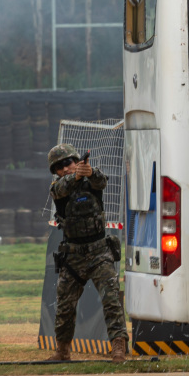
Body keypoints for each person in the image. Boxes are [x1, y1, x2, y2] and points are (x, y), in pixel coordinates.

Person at [45, 144, 127, 364]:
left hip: (99, 251)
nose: (66, 168)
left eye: (69, 162)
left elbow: (102, 181)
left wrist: (90, 173)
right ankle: (62, 351)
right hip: (72, 256)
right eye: (60, 166)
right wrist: (76, 177)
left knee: (111, 301)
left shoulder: (92, 179)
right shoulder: (57, 187)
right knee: (64, 307)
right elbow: (61, 189)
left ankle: (118, 349)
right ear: (56, 171)